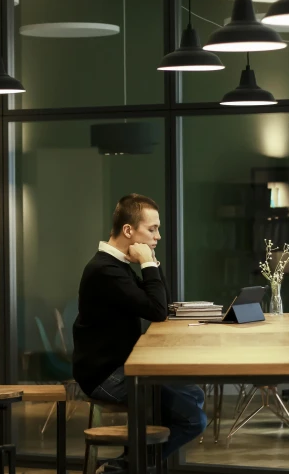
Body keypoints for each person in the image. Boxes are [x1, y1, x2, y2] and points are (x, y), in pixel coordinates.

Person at [72, 193, 207, 472]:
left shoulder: (118, 266)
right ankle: (123, 468)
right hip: (105, 375)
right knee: (194, 418)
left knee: (193, 394)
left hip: (125, 366)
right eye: (152, 229)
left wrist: (151, 263)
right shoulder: (105, 271)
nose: (157, 236)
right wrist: (147, 264)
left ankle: (130, 463)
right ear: (128, 230)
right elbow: (157, 311)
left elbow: (162, 306)